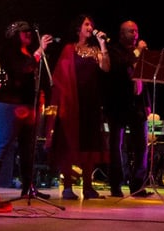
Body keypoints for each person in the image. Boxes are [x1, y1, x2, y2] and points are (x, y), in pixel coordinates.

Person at [0, 21, 54, 201]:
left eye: (29, 31)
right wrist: (39, 51)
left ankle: (28, 188)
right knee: (2, 143)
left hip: (27, 105)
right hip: (8, 104)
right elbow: (23, 69)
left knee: (28, 148)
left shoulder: (27, 52)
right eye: (24, 31)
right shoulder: (9, 52)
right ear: (15, 35)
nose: (28, 33)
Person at [49, 14, 110, 199]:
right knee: (68, 144)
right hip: (71, 104)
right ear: (78, 28)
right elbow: (59, 77)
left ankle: (88, 187)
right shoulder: (69, 49)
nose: (90, 27)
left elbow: (106, 68)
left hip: (90, 103)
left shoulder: (95, 50)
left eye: (91, 24)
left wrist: (103, 45)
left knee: (89, 145)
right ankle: (67, 186)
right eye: (86, 24)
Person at [104, 20, 150, 198]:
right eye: (131, 31)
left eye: (136, 31)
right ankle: (116, 184)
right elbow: (121, 66)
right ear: (122, 33)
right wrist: (137, 52)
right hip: (118, 103)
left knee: (141, 146)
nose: (135, 34)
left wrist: (147, 104)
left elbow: (144, 78)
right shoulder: (114, 50)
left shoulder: (140, 53)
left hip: (137, 104)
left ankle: (137, 185)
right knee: (116, 145)